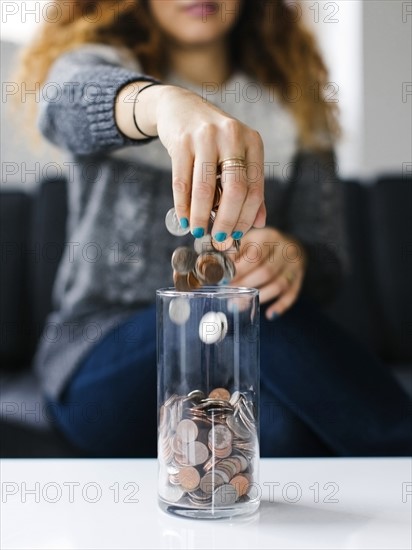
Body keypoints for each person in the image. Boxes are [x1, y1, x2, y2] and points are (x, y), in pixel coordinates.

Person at [20, 0, 410, 456]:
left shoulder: (294, 106)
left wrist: (290, 255)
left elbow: (327, 263)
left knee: (284, 431)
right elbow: (62, 104)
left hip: (235, 370)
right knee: (231, 304)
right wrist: (160, 102)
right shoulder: (106, 67)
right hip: (103, 364)